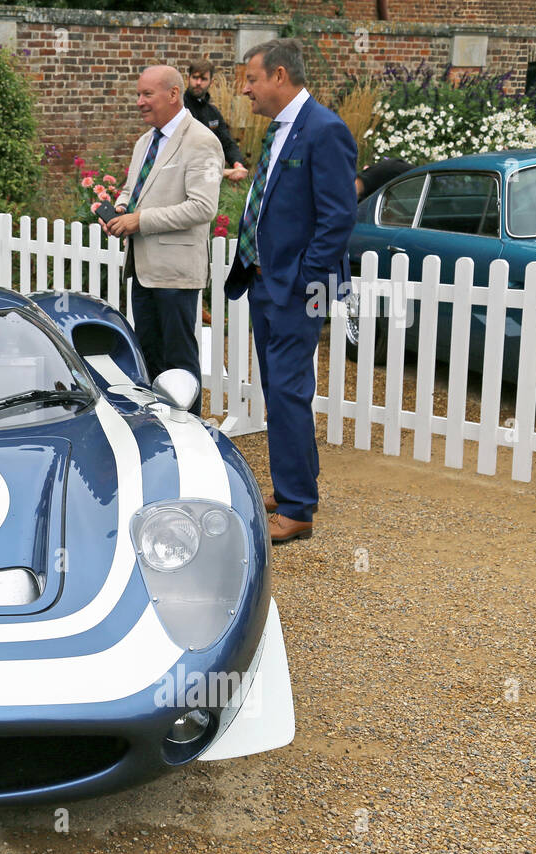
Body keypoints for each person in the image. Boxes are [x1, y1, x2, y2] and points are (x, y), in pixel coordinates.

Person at [223, 38, 357, 543]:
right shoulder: (280, 130)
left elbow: (339, 217)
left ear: (279, 76)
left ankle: (298, 509)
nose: (245, 90)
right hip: (264, 283)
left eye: (251, 79)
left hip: (299, 290)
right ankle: (294, 486)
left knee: (288, 391)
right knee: (280, 392)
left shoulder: (325, 130)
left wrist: (304, 281)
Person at [105, 65, 223, 414]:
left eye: (147, 94)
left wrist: (139, 220)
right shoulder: (146, 141)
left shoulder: (202, 140)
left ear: (173, 94)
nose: (139, 102)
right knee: (150, 359)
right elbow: (132, 190)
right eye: (138, 94)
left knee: (180, 364)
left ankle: (191, 436)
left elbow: (202, 207)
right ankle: (158, 431)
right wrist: (119, 211)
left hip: (176, 273)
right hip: (142, 269)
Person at [185, 59, 248, 182]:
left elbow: (227, 143)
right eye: (195, 77)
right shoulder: (179, 108)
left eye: (203, 79)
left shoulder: (213, 113)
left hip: (210, 179)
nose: (198, 82)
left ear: (211, 82)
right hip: (185, 177)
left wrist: (238, 164)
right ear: (188, 78)